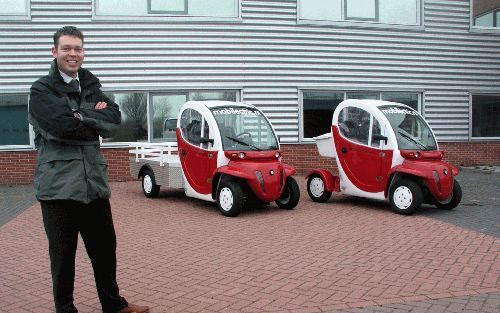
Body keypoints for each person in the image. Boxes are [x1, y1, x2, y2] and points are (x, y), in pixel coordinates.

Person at [28, 26, 150, 313]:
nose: (73, 54)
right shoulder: (41, 90)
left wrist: (80, 116)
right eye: (67, 48)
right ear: (54, 51)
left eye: (78, 48)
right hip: (58, 188)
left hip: (93, 184)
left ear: (83, 52)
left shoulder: (92, 86)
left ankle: (114, 305)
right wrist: (90, 120)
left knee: (105, 250)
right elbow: (60, 127)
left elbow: (114, 119)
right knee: (62, 257)